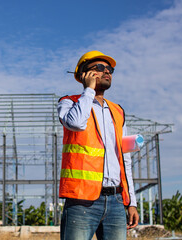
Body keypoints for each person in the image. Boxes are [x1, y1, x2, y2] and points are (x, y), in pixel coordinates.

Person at [58, 50, 139, 240]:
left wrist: (131, 202)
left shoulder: (118, 112)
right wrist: (89, 90)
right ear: (84, 74)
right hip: (81, 202)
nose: (107, 72)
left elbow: (125, 158)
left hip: (116, 201)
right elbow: (76, 123)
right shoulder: (69, 103)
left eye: (109, 69)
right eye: (101, 68)